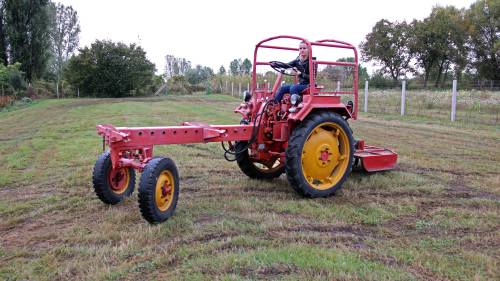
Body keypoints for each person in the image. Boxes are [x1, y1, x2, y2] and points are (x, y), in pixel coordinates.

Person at [273, 41, 310, 112]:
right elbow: (286, 65)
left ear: (308, 49)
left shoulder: (312, 62)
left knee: (293, 87)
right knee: (282, 88)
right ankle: (275, 107)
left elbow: (312, 78)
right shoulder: (297, 61)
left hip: (309, 85)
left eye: (304, 48)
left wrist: (301, 74)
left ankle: (296, 105)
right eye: (300, 48)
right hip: (301, 84)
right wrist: (276, 64)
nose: (302, 50)